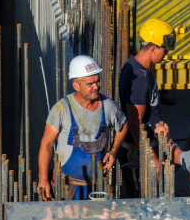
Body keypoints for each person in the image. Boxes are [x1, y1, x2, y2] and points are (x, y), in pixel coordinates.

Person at [36, 56, 128, 200]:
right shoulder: (62, 109)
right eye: (90, 83)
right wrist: (43, 178)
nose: (96, 86)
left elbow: (123, 125)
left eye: (97, 81)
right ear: (76, 86)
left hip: (98, 188)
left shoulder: (108, 106)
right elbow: (46, 144)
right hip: (67, 186)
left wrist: (114, 150)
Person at [118, 18, 176, 197]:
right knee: (142, 205)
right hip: (138, 153)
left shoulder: (133, 64)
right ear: (153, 48)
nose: (166, 54)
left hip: (141, 149)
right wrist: (153, 160)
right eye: (164, 50)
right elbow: (135, 123)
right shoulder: (140, 80)